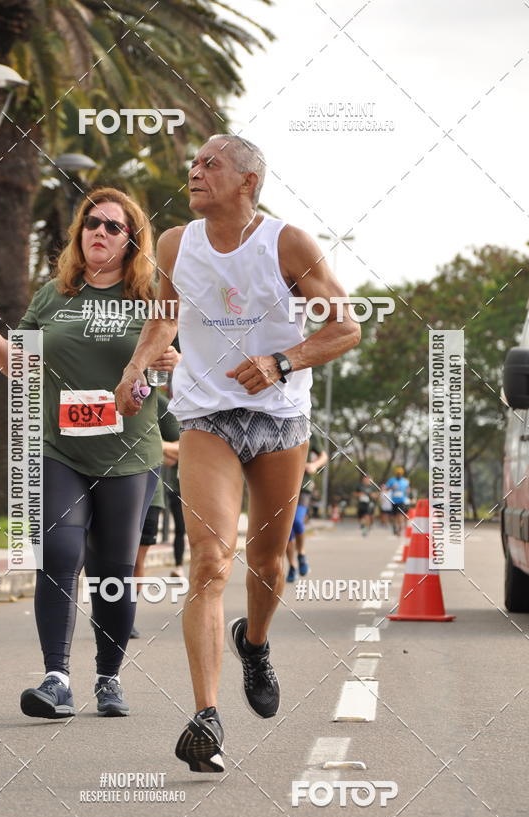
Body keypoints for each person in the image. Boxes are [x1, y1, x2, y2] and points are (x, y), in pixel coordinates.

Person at [115, 135, 360, 772]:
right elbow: (164, 319)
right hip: (206, 415)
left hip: (280, 419)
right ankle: (207, 716)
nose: (194, 172)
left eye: (209, 164)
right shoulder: (175, 243)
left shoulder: (287, 244)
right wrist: (137, 367)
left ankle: (254, 644)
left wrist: (285, 360)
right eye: (193, 164)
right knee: (209, 562)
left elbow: (346, 325)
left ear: (248, 181)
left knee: (268, 561)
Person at [0, 187, 163, 719]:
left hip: (128, 453)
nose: (99, 232)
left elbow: (181, 357)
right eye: (92, 223)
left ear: (131, 241)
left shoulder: (150, 298)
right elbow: (21, 363)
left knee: (113, 571)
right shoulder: (54, 295)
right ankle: (57, 678)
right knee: (57, 554)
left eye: (113, 226)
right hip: (58, 447)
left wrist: (167, 360)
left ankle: (109, 677)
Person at [129, 382, 181, 640]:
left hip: (150, 493)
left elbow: (181, 449)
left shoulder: (157, 402)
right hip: (101, 485)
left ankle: (124, 615)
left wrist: (148, 441)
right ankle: (104, 609)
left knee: (135, 561)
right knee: (107, 559)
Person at [285, 433, 328, 581]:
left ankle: (301, 554)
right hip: (283, 486)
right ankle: (292, 566)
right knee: (286, 529)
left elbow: (324, 456)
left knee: (297, 521)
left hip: (304, 485)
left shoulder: (309, 432)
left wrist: (314, 465)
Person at [386, 466, 411, 535]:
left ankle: (400, 528)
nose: (399, 474)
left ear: (402, 474)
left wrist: (408, 492)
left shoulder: (405, 481)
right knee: (393, 516)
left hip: (401, 501)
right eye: (397, 473)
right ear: (395, 473)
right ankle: (395, 527)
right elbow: (386, 488)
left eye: (400, 473)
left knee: (400, 515)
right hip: (393, 501)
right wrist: (391, 487)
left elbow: (408, 489)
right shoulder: (392, 480)